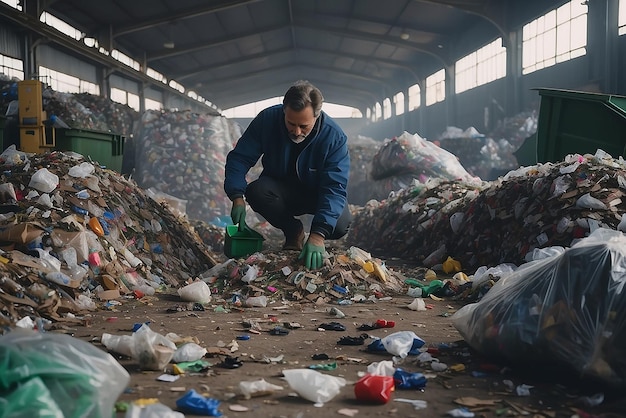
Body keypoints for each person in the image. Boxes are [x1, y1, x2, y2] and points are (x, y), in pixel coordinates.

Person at [224, 80, 352, 270]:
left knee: (340, 225)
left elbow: (334, 187)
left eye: (304, 126)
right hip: (280, 188)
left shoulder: (333, 137)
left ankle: (312, 235)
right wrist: (237, 197)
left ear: (317, 116)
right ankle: (294, 231)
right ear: (284, 109)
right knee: (256, 191)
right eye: (291, 123)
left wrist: (318, 235)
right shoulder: (267, 120)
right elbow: (240, 158)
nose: (297, 131)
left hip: (315, 193)